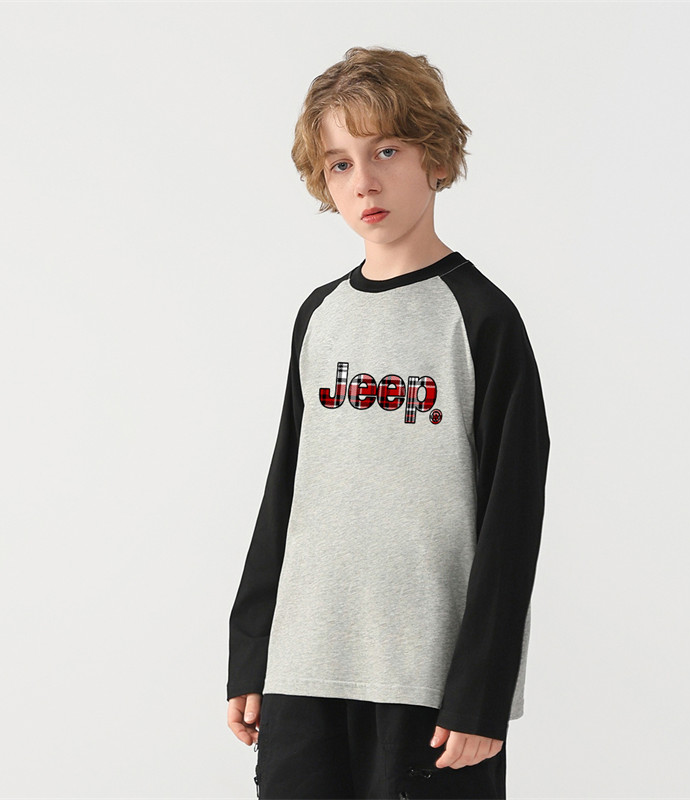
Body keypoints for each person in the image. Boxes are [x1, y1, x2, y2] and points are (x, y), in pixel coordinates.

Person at [225, 45, 550, 800]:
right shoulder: (320, 316)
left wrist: (483, 693)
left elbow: (512, 518)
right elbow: (287, 490)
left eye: (386, 151)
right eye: (339, 164)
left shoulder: (482, 319)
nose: (363, 182)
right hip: (303, 669)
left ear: (434, 156)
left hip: (427, 685)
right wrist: (252, 652)